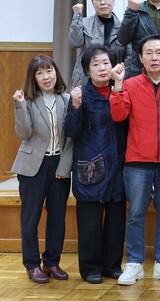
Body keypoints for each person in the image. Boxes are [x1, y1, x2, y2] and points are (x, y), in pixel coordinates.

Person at [108, 35, 160, 286]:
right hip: (137, 161)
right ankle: (134, 262)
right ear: (141, 58)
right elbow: (118, 115)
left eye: (159, 52)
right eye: (149, 53)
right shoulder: (130, 85)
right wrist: (117, 85)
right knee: (135, 214)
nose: (154, 57)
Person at [64, 45, 127, 284]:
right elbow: (71, 131)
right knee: (89, 222)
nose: (102, 68)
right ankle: (90, 268)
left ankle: (112, 265)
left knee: (116, 219)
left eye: (106, 63)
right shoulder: (81, 95)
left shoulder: (120, 91)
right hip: (90, 164)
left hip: (118, 164)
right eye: (96, 64)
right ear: (87, 70)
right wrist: (75, 106)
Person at [12, 55, 73, 284]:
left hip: (58, 164)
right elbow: (23, 133)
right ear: (34, 78)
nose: (46, 77)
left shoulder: (66, 99)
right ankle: (32, 264)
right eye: (40, 73)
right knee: (30, 218)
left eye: (49, 71)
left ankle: (51, 262)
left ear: (56, 72)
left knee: (57, 217)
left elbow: (71, 138)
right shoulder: (27, 101)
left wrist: (64, 167)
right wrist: (19, 105)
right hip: (32, 168)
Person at [69, 0, 126, 86]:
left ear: (113, 1)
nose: (103, 2)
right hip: (86, 79)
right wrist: (77, 15)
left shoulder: (123, 27)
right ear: (92, 2)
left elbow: (129, 56)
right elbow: (75, 43)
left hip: (114, 79)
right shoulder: (84, 23)